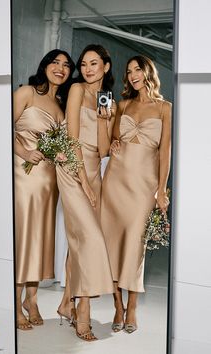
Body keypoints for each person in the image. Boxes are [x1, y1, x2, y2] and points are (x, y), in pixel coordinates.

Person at [101, 55, 171, 333]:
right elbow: (109, 143)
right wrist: (111, 134)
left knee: (135, 246)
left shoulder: (165, 108)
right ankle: (117, 306)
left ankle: (132, 308)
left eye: (137, 69)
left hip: (144, 185)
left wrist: (161, 190)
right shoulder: (122, 105)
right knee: (112, 245)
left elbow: (164, 153)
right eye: (128, 71)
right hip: (115, 181)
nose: (132, 75)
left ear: (148, 73)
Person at [56, 44, 116, 341]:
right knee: (91, 237)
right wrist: (81, 178)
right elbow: (72, 137)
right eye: (84, 63)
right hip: (71, 166)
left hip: (93, 168)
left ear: (106, 66)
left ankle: (67, 302)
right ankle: (82, 312)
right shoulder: (78, 89)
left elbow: (104, 149)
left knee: (79, 240)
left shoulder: (105, 98)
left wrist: (106, 119)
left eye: (94, 63)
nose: (88, 68)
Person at [14, 49, 75, 330]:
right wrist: (24, 153)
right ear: (45, 66)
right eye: (55, 62)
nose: (60, 68)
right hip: (24, 176)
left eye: (66, 65)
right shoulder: (27, 92)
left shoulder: (62, 104)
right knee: (24, 237)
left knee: (40, 239)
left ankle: (32, 299)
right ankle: (14, 304)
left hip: (50, 181)